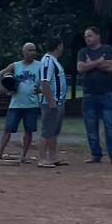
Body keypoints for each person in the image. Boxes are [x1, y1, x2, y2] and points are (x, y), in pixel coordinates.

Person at [0, 42, 43, 164]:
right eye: (29, 50)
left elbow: (46, 81)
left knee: (28, 130)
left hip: (32, 104)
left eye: (34, 50)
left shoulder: (40, 66)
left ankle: (23, 156)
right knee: (8, 129)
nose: (32, 53)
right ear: (23, 52)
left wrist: (41, 89)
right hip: (16, 103)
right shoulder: (16, 65)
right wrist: (1, 87)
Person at [76, 26, 112, 163]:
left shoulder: (108, 49)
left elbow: (110, 67)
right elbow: (80, 68)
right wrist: (98, 62)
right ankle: (96, 154)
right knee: (91, 126)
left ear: (98, 36)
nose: (87, 39)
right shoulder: (83, 51)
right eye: (86, 36)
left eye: (90, 35)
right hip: (88, 94)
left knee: (109, 126)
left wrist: (90, 64)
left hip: (105, 94)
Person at [37, 38, 68, 168]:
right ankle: (42, 158)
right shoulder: (48, 61)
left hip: (58, 101)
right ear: (59, 46)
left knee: (54, 131)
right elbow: (45, 82)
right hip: (51, 102)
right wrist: (50, 101)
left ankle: (53, 156)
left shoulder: (54, 61)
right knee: (47, 130)